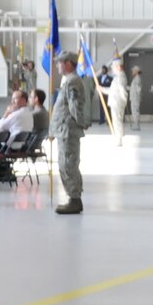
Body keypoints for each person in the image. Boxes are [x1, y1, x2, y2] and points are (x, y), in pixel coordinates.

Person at [50, 54, 90, 214]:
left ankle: (75, 199)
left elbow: (75, 106)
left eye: (60, 63)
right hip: (63, 130)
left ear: (68, 64)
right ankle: (73, 198)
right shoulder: (68, 80)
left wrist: (81, 122)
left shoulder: (73, 81)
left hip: (68, 130)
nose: (58, 66)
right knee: (64, 164)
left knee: (69, 164)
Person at [127, 65, 145, 129]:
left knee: (135, 111)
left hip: (135, 98)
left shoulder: (137, 78)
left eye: (133, 70)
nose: (132, 72)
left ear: (136, 71)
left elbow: (138, 89)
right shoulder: (135, 78)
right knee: (134, 111)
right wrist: (126, 87)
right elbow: (133, 88)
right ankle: (136, 124)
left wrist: (137, 96)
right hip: (134, 98)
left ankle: (136, 125)